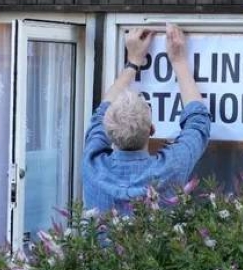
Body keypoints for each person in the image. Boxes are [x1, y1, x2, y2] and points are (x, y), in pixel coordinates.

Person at [82, 24, 211, 213]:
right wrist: (179, 61)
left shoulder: (93, 167)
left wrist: (133, 61)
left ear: (108, 131)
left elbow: (101, 113)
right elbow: (199, 122)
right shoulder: (169, 169)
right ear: (151, 129)